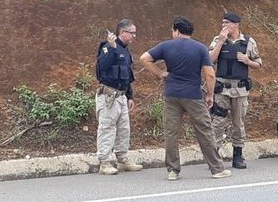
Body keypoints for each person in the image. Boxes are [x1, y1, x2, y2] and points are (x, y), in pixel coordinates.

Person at [139, 17, 231, 180]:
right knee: (205, 131)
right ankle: (217, 169)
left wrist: (160, 73)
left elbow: (144, 58)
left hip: (171, 95)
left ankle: (173, 171)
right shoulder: (200, 48)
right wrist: (209, 95)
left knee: (171, 132)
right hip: (193, 96)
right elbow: (210, 74)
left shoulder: (166, 46)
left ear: (176, 31)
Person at [209, 12, 262, 169]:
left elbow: (259, 63)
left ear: (236, 24)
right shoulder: (217, 39)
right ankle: (214, 155)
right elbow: (210, 60)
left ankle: (238, 155)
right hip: (221, 89)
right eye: (223, 23)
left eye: (227, 23)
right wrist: (220, 42)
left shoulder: (248, 42)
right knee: (218, 122)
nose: (224, 26)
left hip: (240, 89)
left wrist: (248, 61)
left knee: (238, 123)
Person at [95, 19, 143, 175]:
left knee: (124, 130)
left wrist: (130, 96)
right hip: (109, 95)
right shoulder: (108, 47)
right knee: (107, 128)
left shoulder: (126, 51)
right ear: (122, 32)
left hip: (121, 96)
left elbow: (127, 75)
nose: (134, 36)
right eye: (132, 33)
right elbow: (101, 69)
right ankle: (104, 162)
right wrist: (113, 48)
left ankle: (122, 160)